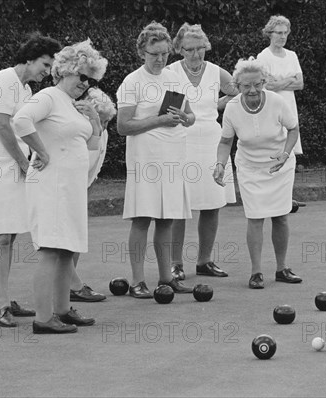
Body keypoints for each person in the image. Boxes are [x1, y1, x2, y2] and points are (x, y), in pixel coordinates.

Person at [13, 39, 107, 334]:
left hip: (72, 188)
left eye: (91, 79)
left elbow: (91, 145)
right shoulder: (49, 97)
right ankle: (43, 318)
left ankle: (63, 310)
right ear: (65, 70)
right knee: (52, 250)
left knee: (67, 250)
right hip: (50, 186)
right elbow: (20, 120)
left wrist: (94, 119)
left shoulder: (72, 104)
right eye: (82, 76)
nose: (86, 83)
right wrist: (40, 151)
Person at [0, 33, 61, 328]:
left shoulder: (24, 87)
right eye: (45, 64)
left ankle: (0, 299)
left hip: (15, 163)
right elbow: (1, 126)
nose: (47, 71)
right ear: (31, 57)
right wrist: (23, 163)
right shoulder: (4, 80)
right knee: (0, 236)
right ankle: (3, 306)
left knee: (10, 234)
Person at [116, 22, 196, 298]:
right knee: (142, 219)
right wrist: (160, 120)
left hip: (173, 157)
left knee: (167, 220)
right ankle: (137, 281)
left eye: (164, 54)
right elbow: (123, 126)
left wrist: (186, 118)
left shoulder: (174, 78)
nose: (161, 59)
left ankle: (166, 278)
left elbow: (191, 115)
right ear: (142, 52)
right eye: (154, 54)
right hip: (144, 160)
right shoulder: (131, 81)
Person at [213, 57, 302, 289]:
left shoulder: (276, 101)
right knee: (255, 217)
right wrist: (220, 164)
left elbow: (293, 129)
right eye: (246, 86)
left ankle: (282, 268)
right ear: (237, 86)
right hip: (249, 167)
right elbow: (225, 142)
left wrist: (285, 154)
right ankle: (256, 272)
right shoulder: (232, 108)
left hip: (279, 165)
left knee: (281, 216)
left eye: (257, 84)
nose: (252, 90)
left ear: (264, 82)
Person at [168, 23, 238, 281]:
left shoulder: (216, 71)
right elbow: (171, 112)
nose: (196, 55)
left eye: (201, 49)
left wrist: (216, 106)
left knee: (212, 204)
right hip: (181, 142)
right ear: (179, 49)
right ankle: (175, 264)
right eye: (189, 50)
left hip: (212, 141)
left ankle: (204, 261)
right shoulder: (170, 72)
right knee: (179, 206)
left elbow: (240, 88)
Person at [70, 87, 117, 302]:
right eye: (102, 122)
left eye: (108, 122)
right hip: (65, 189)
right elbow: (82, 165)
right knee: (64, 240)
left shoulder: (101, 131)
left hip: (82, 188)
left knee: (77, 237)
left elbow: (94, 167)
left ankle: (70, 285)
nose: (105, 127)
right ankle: (72, 285)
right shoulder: (79, 132)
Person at [257, 15, 306, 210]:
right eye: (279, 33)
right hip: (271, 108)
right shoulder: (263, 57)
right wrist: (288, 80)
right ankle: (270, 198)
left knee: (290, 151)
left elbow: (300, 83)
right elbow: (267, 86)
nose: (282, 36)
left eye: (285, 33)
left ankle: (288, 198)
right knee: (273, 150)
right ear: (270, 33)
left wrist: (281, 82)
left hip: (289, 106)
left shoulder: (292, 55)